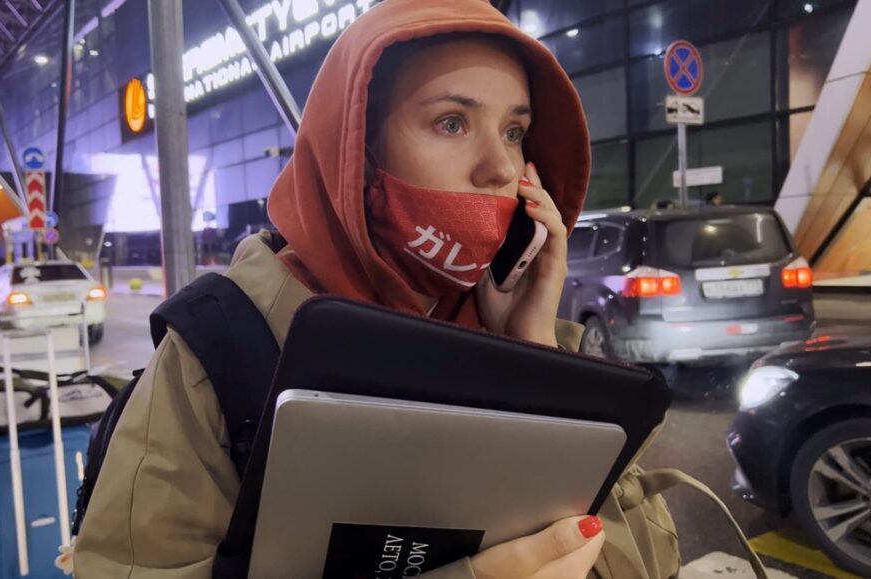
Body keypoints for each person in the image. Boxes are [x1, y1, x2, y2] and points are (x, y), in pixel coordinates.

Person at [75, 1, 677, 577]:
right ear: (358, 154)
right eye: (452, 122)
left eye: (515, 132)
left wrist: (539, 359)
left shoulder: (522, 334)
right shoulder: (218, 351)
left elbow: (653, 560)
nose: (501, 167)